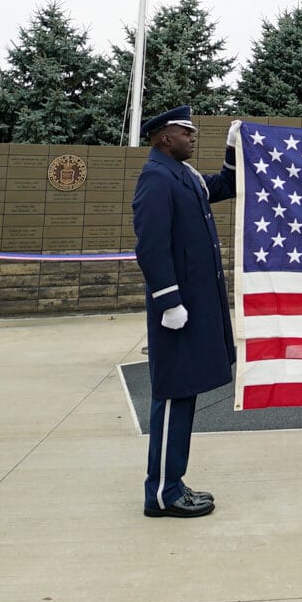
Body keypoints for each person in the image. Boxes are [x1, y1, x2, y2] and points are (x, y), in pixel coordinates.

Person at [132, 105, 240, 517]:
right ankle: (162, 493)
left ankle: (172, 483)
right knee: (174, 396)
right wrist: (168, 300)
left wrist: (233, 149)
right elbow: (151, 244)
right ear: (164, 137)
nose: (193, 137)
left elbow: (225, 185)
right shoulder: (156, 177)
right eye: (186, 131)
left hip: (192, 306)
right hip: (176, 310)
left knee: (184, 395)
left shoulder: (184, 175)